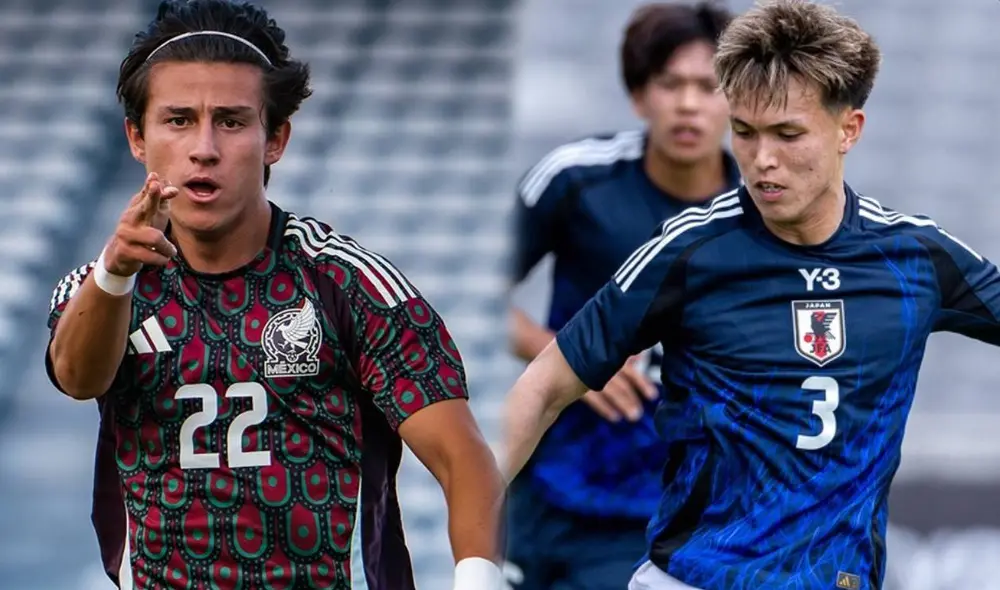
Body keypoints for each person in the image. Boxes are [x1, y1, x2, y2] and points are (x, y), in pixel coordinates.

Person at [502, 1, 1000, 589]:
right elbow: (540, 389)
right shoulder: (689, 251)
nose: (763, 160)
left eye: (788, 134)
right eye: (745, 132)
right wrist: (465, 547)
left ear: (849, 130)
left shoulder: (915, 258)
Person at [44, 1, 504, 589]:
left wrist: (477, 580)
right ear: (138, 137)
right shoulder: (102, 286)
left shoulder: (348, 283)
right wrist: (115, 274)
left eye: (232, 121)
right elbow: (79, 379)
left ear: (275, 139)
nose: (203, 148)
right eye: (178, 120)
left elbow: (462, 459)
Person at [503, 3, 737, 588]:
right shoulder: (575, 178)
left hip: (658, 517)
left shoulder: (762, 216)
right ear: (639, 96)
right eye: (670, 84)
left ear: (736, 99)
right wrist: (568, 357)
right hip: (541, 488)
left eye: (708, 86)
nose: (688, 103)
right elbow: (461, 293)